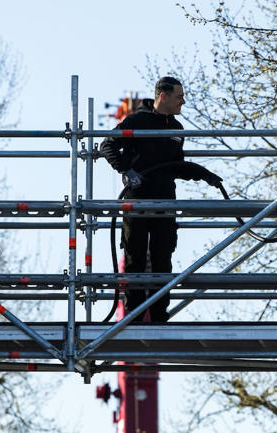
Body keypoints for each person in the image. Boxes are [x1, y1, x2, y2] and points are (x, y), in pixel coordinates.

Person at [99, 76, 221, 322]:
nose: (183, 102)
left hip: (166, 200)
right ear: (163, 96)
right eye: (179, 97)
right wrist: (127, 170)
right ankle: (132, 316)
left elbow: (176, 166)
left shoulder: (176, 129)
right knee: (134, 257)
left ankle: (158, 315)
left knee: (163, 257)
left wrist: (204, 174)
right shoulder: (137, 121)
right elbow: (107, 146)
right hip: (137, 199)